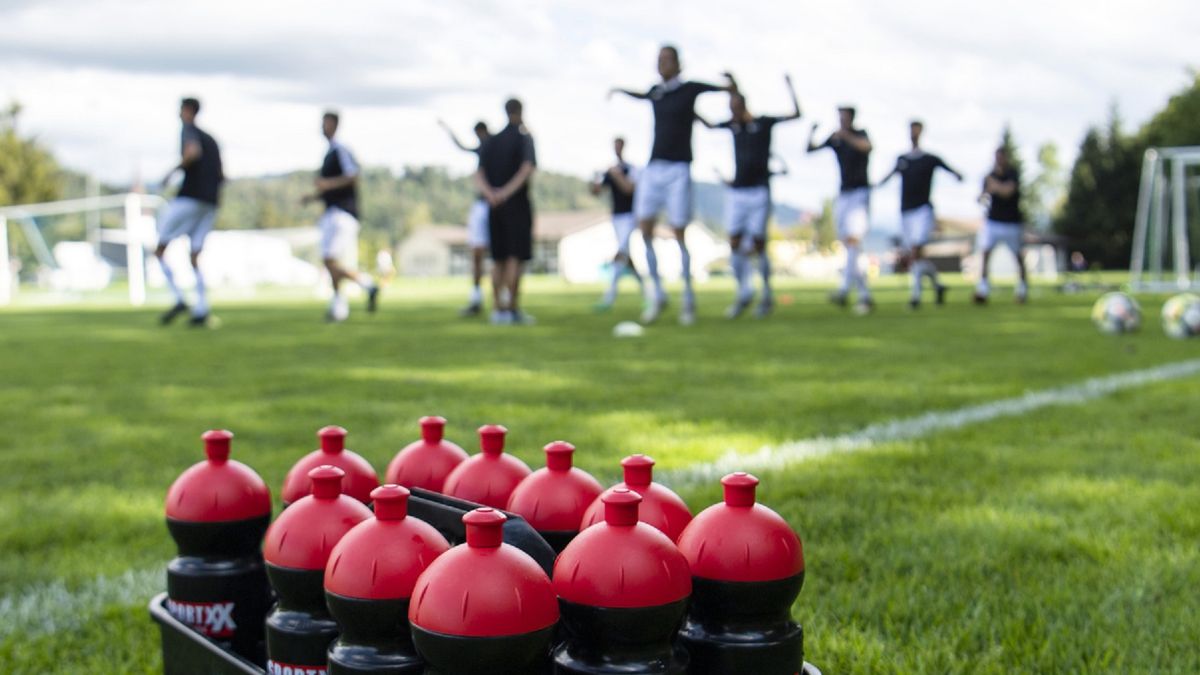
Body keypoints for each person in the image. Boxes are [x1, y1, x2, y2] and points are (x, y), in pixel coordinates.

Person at [610, 45, 738, 325]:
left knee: (679, 233)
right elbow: (640, 95)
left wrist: (732, 83)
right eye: (659, 60)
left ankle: (688, 299)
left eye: (667, 60)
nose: (662, 64)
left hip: (679, 168)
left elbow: (725, 90)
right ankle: (658, 294)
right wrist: (618, 90)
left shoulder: (690, 89)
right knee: (644, 229)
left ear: (678, 64)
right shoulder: (656, 92)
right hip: (654, 167)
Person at [700, 75, 801, 319]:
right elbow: (709, 125)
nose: (732, 113)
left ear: (743, 106)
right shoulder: (733, 126)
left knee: (758, 243)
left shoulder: (763, 123)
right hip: (738, 191)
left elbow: (796, 114)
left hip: (759, 191)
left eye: (735, 108)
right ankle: (743, 291)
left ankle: (766, 295)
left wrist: (790, 87)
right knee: (734, 242)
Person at [876, 120, 963, 309]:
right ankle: (938, 286)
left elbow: (950, 170)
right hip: (905, 211)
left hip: (923, 211)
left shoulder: (929, 159)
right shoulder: (903, 159)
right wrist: (874, 185)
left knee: (916, 251)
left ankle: (915, 296)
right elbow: (889, 175)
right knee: (917, 256)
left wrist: (957, 175)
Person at [301, 111, 379, 322]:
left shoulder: (341, 150)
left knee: (329, 260)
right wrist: (313, 197)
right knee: (330, 261)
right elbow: (330, 188)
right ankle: (338, 306)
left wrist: (327, 184)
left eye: (325, 123)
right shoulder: (328, 153)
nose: (322, 127)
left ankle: (366, 285)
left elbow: (353, 176)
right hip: (331, 212)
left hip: (342, 213)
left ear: (335, 125)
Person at [156, 97, 223, 327]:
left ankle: (178, 299)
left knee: (160, 249)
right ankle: (202, 308)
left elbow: (192, 152)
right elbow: (222, 174)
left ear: (187, 111)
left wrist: (172, 172)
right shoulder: (212, 139)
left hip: (190, 198)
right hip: (211, 202)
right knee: (194, 255)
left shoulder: (188, 130)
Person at [475, 98, 537, 325]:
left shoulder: (491, 140)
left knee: (498, 258)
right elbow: (527, 168)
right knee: (514, 258)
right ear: (521, 110)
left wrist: (491, 194)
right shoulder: (524, 138)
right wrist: (505, 193)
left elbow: (478, 174)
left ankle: (497, 309)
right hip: (516, 205)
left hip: (493, 205)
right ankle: (511, 308)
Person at [808, 105, 874, 313]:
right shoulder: (835, 138)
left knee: (853, 241)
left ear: (852, 118)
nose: (842, 120)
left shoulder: (859, 134)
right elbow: (810, 149)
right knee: (849, 245)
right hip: (843, 193)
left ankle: (844, 289)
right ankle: (865, 295)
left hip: (860, 192)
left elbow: (867, 147)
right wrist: (812, 132)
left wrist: (846, 136)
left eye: (845, 117)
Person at [439, 118, 492, 316]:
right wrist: (448, 129)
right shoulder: (481, 149)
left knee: (499, 255)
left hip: (495, 204)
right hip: (482, 203)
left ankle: (503, 301)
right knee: (477, 252)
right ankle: (476, 298)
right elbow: (461, 146)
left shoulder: (494, 146)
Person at [589, 137, 643, 310]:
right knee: (626, 257)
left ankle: (609, 297)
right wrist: (595, 180)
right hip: (616, 217)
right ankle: (648, 290)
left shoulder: (631, 169)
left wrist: (616, 175)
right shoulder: (610, 171)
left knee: (620, 253)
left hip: (630, 216)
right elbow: (596, 192)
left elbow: (629, 189)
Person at [974, 146, 1027, 304]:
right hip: (993, 222)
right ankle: (983, 289)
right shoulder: (989, 176)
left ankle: (1022, 289)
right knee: (985, 254)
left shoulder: (1012, 174)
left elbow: (1007, 192)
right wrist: (987, 191)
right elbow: (981, 197)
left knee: (1018, 257)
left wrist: (995, 186)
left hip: (1011, 222)